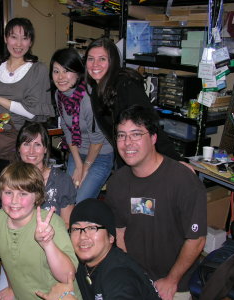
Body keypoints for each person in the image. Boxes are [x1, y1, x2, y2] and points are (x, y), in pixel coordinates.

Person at [106, 105, 207, 300]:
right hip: (136, 275)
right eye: (121, 135)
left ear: (153, 138)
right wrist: (133, 273)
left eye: (136, 134)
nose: (127, 143)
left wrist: (171, 280)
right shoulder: (117, 182)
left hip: (175, 282)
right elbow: (119, 232)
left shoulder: (183, 180)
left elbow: (196, 239)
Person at [0, 17, 54, 178]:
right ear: (5, 38)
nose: (18, 44)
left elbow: (33, 112)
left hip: (20, 148)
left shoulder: (38, 70)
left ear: (31, 42)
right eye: (14, 37)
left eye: (25, 38)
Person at [0, 161, 82, 300]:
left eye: (23, 194)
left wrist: (48, 243)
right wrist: (12, 287)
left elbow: (67, 276)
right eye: (8, 192)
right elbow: (5, 259)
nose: (14, 201)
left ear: (37, 197)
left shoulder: (51, 223)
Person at [84, 37, 183, 168]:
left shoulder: (125, 85)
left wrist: (176, 163)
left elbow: (151, 124)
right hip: (125, 156)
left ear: (112, 62)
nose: (95, 64)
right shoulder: (97, 91)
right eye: (91, 59)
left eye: (102, 59)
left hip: (143, 158)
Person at [36, 198, 160, 300]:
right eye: (76, 229)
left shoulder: (119, 275)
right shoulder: (84, 264)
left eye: (92, 228)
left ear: (111, 237)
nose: (83, 236)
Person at [50, 48, 113, 203]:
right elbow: (67, 129)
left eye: (66, 71)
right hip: (78, 152)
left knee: (80, 201)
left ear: (78, 73)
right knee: (67, 199)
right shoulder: (59, 95)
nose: (60, 77)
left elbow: (97, 140)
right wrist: (78, 164)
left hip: (100, 155)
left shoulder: (88, 98)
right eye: (56, 71)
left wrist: (85, 168)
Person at [16, 122, 75, 226]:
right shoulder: (11, 179)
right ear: (18, 148)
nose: (31, 151)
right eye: (26, 144)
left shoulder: (62, 181)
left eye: (37, 145)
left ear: (45, 149)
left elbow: (67, 223)